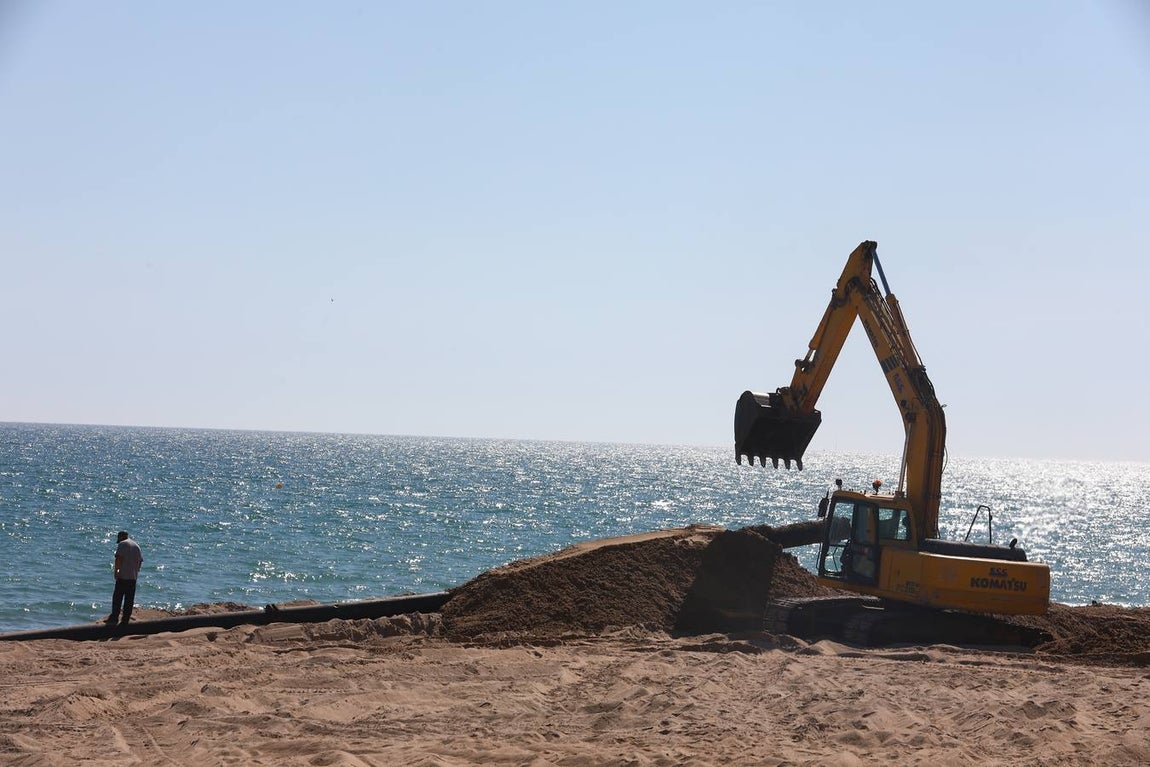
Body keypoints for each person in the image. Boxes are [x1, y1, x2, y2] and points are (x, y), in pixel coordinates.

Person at [106, 531, 143, 626]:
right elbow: (140, 562)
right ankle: (125, 620)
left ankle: (114, 618)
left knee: (117, 598)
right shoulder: (136, 546)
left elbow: (118, 559)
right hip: (133, 577)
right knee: (129, 600)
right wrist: (136, 571)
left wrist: (116, 572)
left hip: (123, 576)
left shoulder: (122, 544)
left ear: (121, 537)